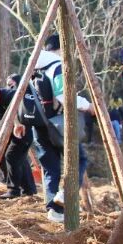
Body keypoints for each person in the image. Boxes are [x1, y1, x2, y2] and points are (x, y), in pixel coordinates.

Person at [18, 84, 91, 223]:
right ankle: (65, 195)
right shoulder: (55, 66)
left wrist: (18, 123)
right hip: (59, 125)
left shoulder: (33, 75)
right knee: (79, 159)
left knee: (50, 170)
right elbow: (64, 96)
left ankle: (54, 210)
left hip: (38, 128)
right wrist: (88, 106)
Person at [0, 82, 36, 200]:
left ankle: (13, 190)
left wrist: (17, 124)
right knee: (20, 159)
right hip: (10, 135)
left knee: (11, 156)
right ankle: (29, 189)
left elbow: (23, 113)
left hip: (22, 131)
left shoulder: (12, 96)